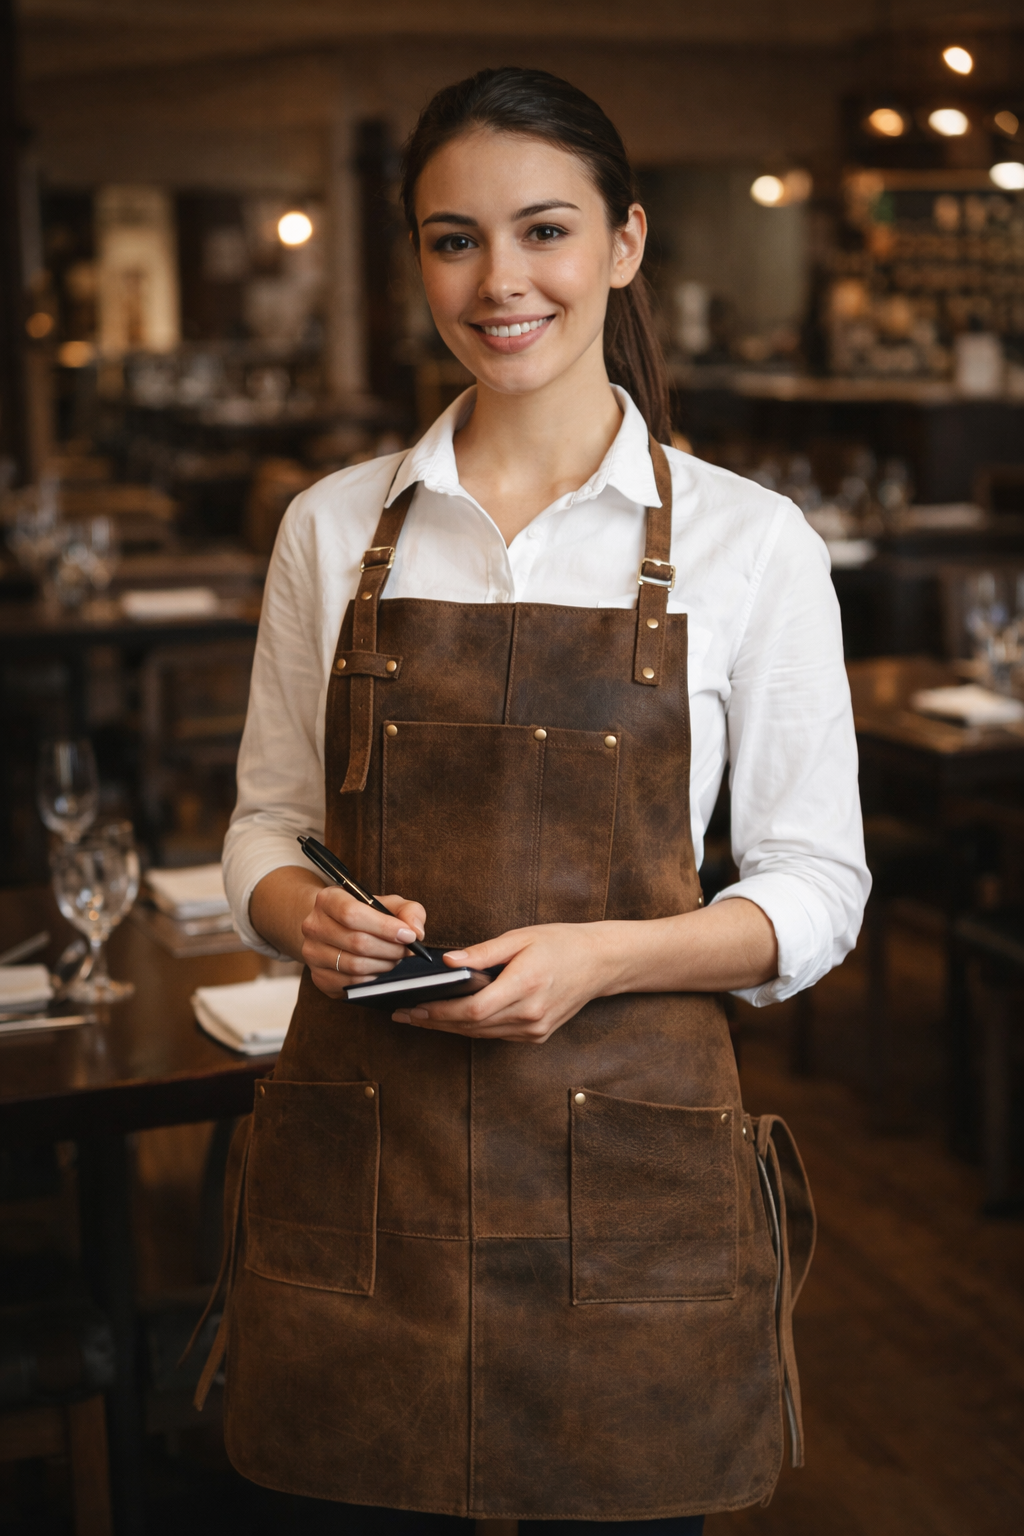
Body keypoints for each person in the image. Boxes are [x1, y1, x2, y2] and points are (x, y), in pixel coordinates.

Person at [203, 66, 868, 1535]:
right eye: (453, 239)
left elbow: (818, 889)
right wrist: (305, 912)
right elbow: (258, 823)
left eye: (544, 231)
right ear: (418, 260)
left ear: (624, 244)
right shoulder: (331, 528)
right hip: (363, 1169)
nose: (500, 281)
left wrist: (602, 957)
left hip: (629, 1178)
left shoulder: (753, 544)